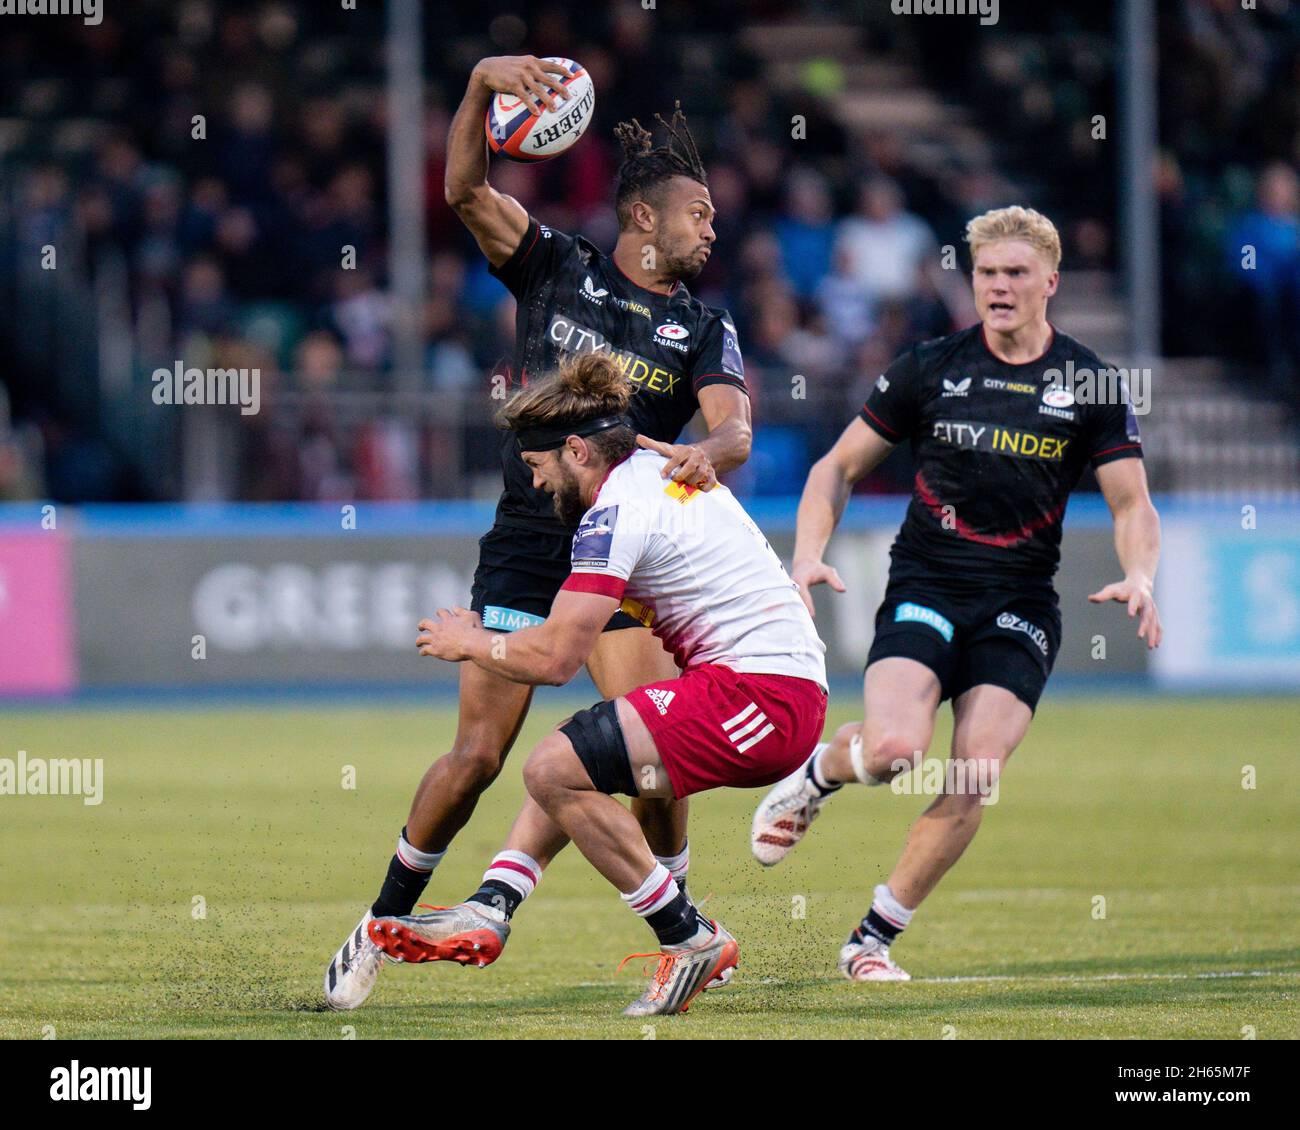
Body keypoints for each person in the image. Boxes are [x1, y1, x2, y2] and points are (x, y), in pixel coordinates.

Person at [325, 56, 751, 1010]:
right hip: (526, 540)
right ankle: (380, 923)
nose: (711, 228)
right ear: (643, 218)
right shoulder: (557, 268)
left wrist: (710, 453)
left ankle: (680, 918)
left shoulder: (702, 330)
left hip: (626, 553)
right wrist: (480, 85)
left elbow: (735, 426)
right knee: (477, 757)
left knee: (651, 753)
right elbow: (463, 186)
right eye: (699, 214)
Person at [750, 206, 1161, 982]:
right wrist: (806, 554)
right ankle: (819, 775)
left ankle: (869, 941)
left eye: (1014, 274)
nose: (998, 287)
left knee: (975, 774)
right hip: (928, 584)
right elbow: (833, 470)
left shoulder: (1090, 383)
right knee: (897, 753)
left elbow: (1133, 504)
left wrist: (1140, 573)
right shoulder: (929, 366)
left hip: (1020, 603)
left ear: (1050, 282)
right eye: (986, 274)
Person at [369, 353, 826, 1016]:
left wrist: (467, 642)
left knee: (553, 769)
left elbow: (555, 659)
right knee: (578, 750)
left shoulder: (614, 512)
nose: (535, 483)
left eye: (537, 466)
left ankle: (689, 937)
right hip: (769, 688)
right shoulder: (652, 472)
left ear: (577, 450)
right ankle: (494, 903)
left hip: (761, 699)